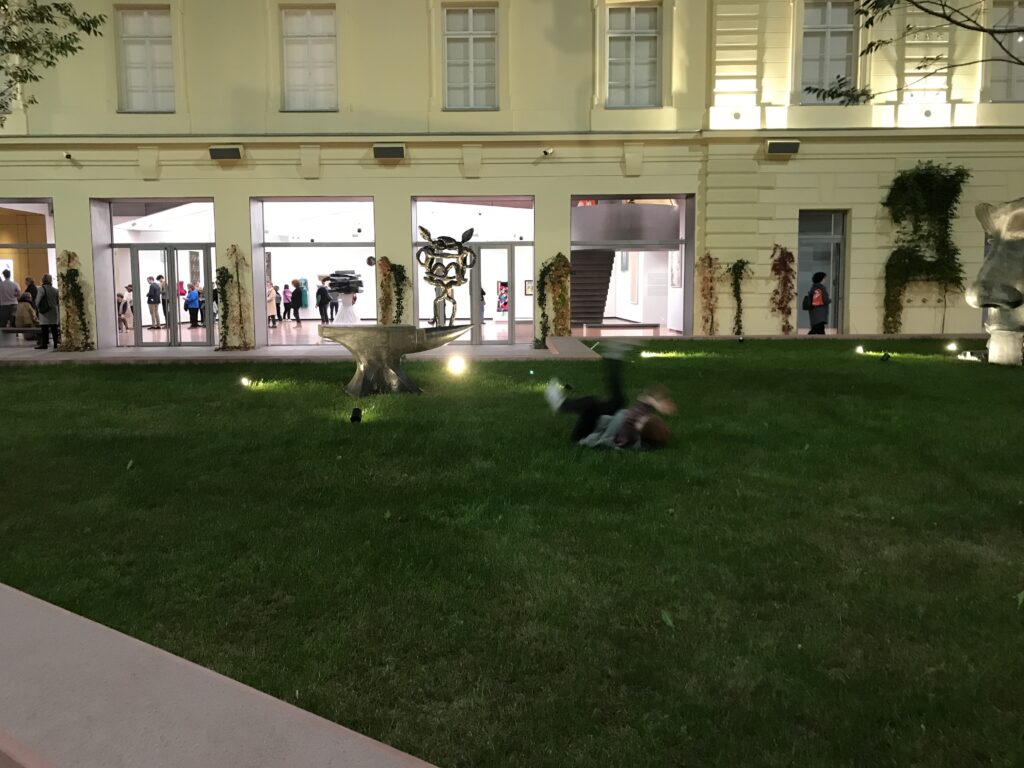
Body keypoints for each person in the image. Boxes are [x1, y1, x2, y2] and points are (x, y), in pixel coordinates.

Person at [544, 342, 676, 449]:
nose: (641, 418)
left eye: (641, 422)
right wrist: (656, 404)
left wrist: (653, 404)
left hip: (584, 434)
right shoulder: (639, 426)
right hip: (602, 422)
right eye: (646, 418)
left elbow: (636, 412)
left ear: (640, 432)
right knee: (619, 401)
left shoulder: (627, 435)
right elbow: (642, 408)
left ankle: (561, 405)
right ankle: (614, 357)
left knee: (592, 403)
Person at [34, 273, 60, 350]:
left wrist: (36, 308)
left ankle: (44, 344)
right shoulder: (55, 290)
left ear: (42, 280)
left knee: (44, 328)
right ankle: (55, 344)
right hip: (54, 310)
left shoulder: (41, 289)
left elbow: (38, 300)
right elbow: (58, 301)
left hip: (44, 311)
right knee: (54, 328)